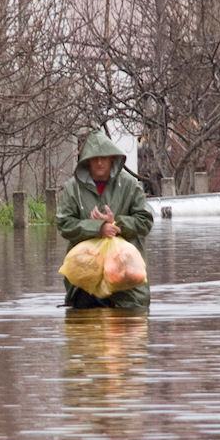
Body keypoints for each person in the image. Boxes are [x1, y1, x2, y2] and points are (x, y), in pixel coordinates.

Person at [56, 131, 154, 309]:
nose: (99, 163)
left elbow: (145, 221)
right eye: (94, 159)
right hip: (86, 278)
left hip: (125, 274)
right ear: (87, 161)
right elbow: (64, 224)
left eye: (104, 158)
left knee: (129, 322)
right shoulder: (73, 188)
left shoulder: (130, 185)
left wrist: (117, 225)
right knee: (84, 321)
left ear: (112, 159)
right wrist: (97, 228)